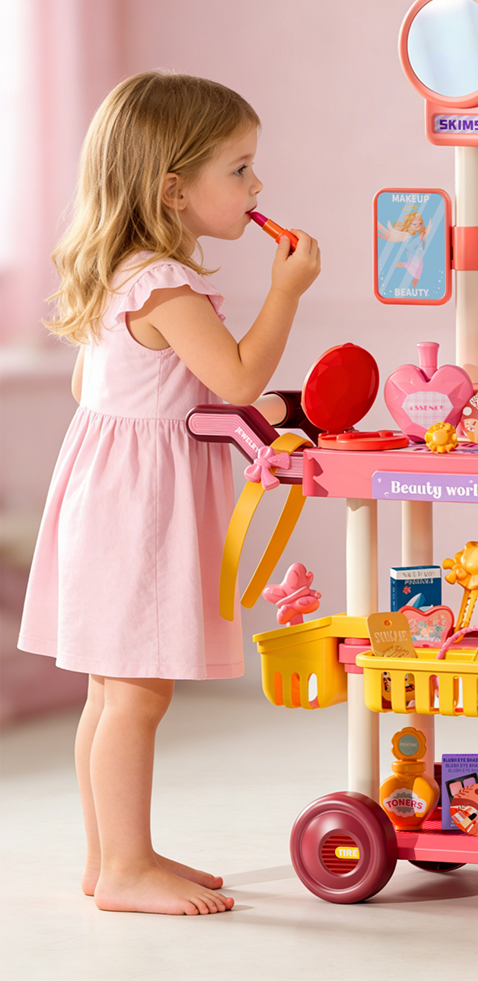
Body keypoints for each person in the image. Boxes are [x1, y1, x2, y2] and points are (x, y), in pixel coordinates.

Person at [18, 71, 320, 916]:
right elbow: (236, 377)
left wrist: (214, 400)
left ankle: (113, 857)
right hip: (139, 515)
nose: (256, 188)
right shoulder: (169, 288)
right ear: (173, 189)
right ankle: (123, 873)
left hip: (101, 502)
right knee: (139, 693)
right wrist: (286, 292)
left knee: (110, 693)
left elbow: (107, 389)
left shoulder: (120, 275)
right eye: (240, 169)